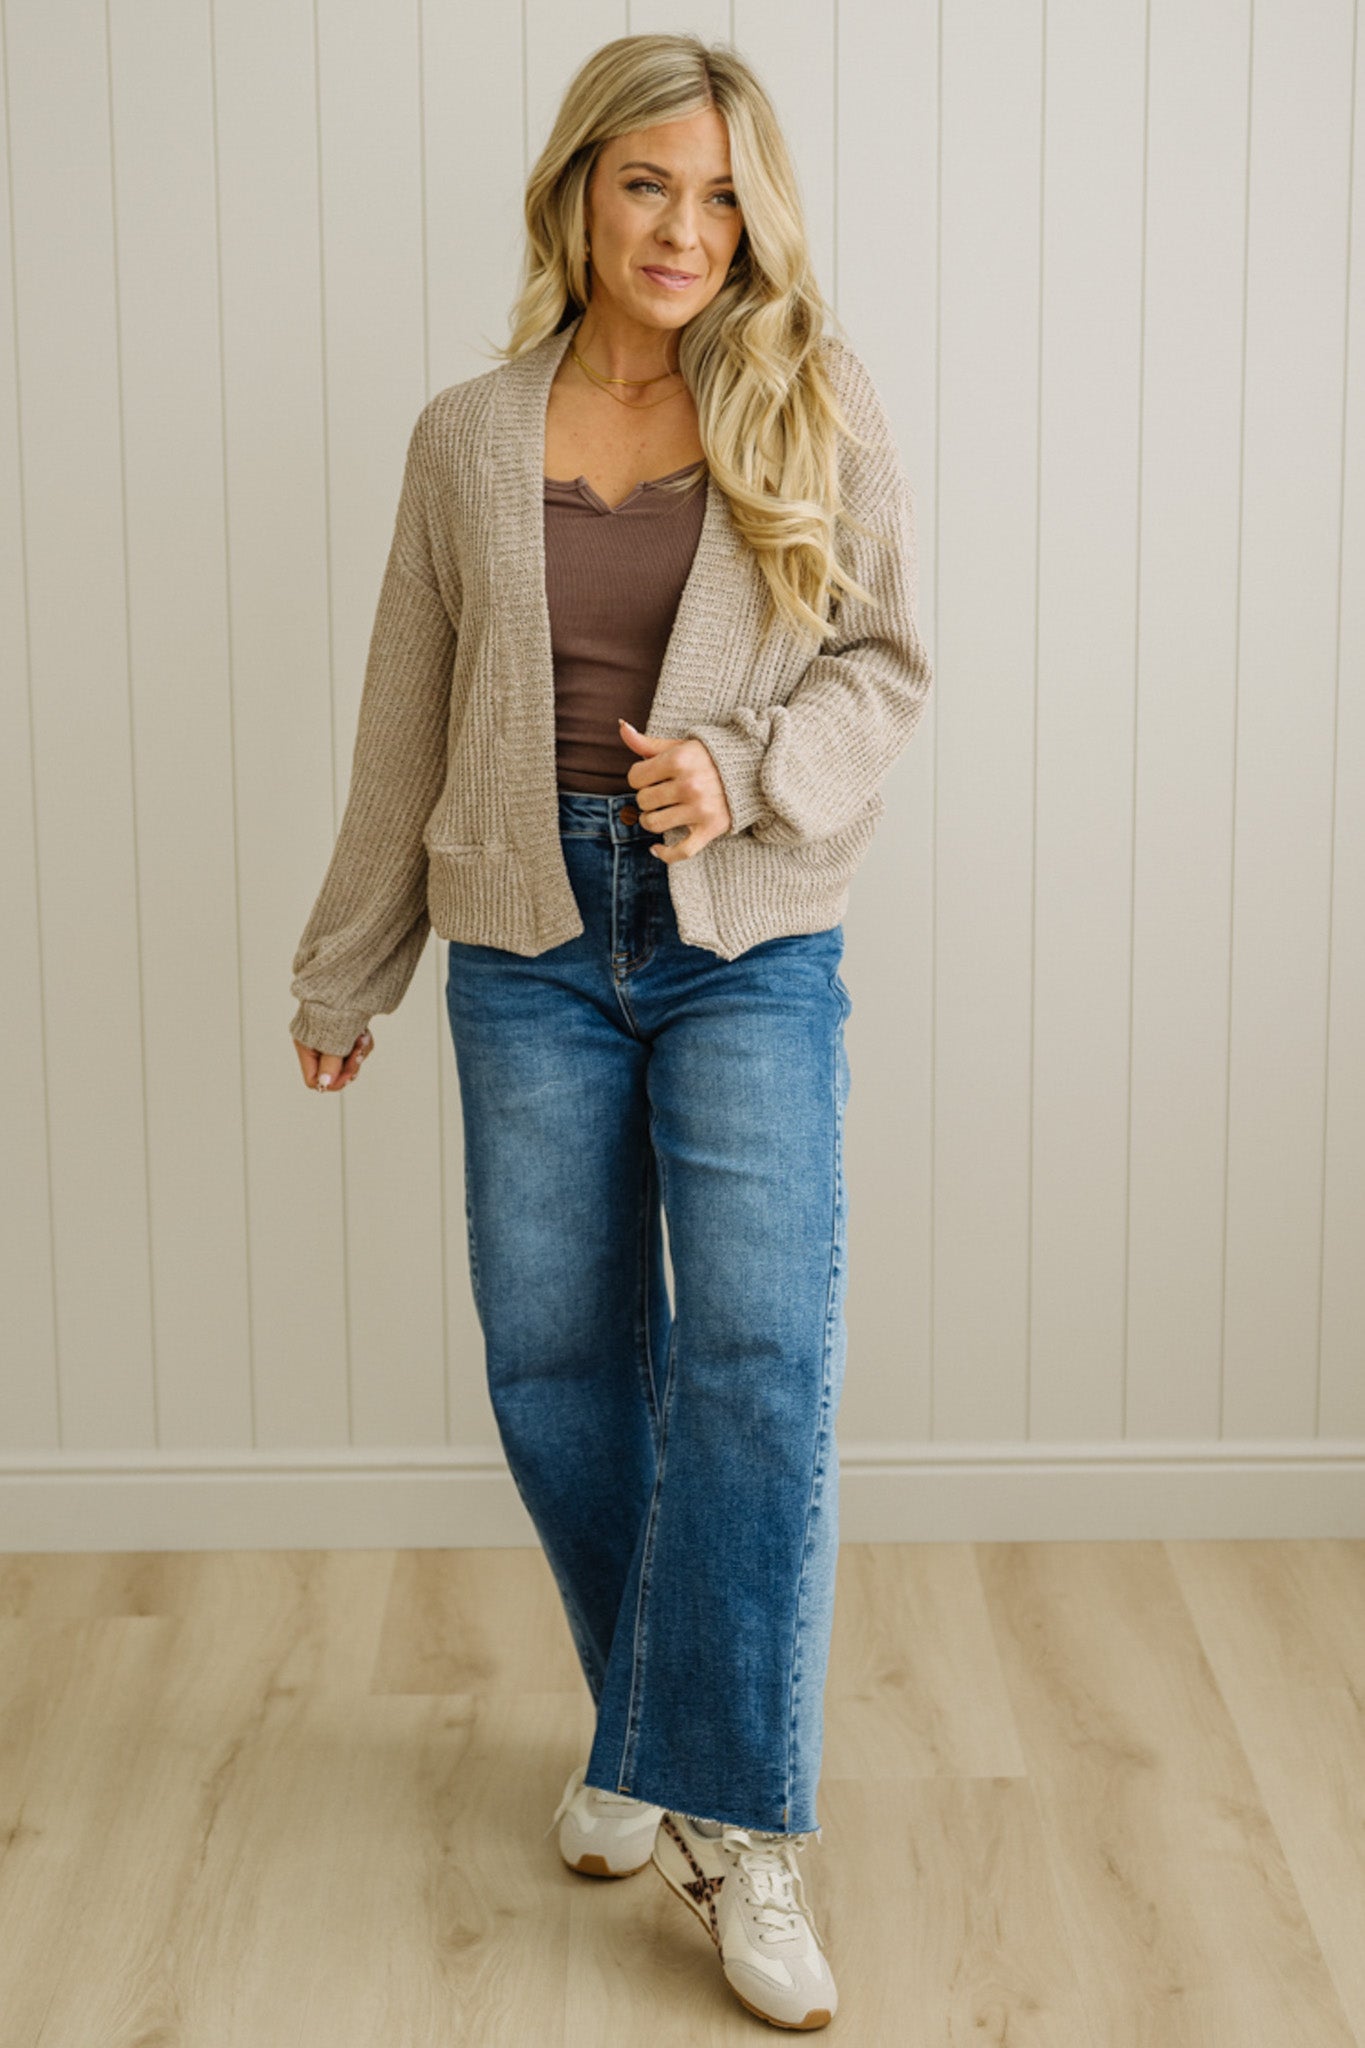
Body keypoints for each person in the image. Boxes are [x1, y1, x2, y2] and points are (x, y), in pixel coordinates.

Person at [288, 30, 932, 2032]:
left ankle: (732, 1821)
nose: (684, 228)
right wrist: (344, 966)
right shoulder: (462, 435)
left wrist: (740, 772)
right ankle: (654, 1726)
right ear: (577, 189)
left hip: (744, 936)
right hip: (523, 932)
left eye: (722, 192)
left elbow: (886, 665)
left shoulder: (807, 397)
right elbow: (406, 709)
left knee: (752, 1352)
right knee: (557, 1359)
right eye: (648, 183)